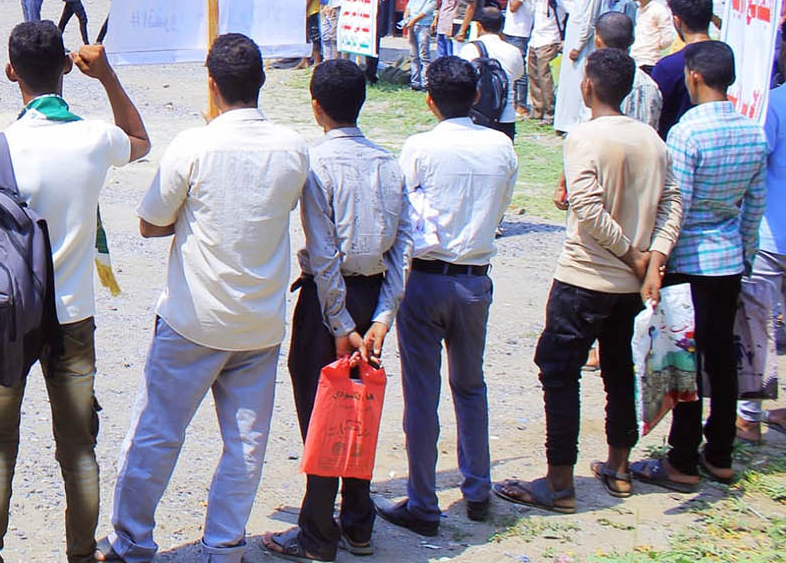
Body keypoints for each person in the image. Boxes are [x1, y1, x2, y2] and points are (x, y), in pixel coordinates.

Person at [0, 27, 148, 563]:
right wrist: (106, 75)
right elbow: (141, 141)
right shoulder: (95, 138)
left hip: (3, 317)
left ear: (12, 71)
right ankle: (80, 555)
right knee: (78, 452)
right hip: (73, 317)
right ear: (65, 67)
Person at [109, 34, 310, 563]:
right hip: (260, 323)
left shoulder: (194, 146)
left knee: (156, 434)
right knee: (245, 445)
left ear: (212, 84)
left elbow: (151, 224)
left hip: (192, 318)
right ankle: (224, 544)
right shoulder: (292, 147)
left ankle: (132, 543)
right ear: (261, 83)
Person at [493, 48, 678, 514]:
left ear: (587, 86)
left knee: (559, 372)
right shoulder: (652, 139)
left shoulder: (584, 136)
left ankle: (559, 482)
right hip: (630, 286)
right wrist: (654, 255)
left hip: (585, 276)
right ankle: (618, 467)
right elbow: (674, 201)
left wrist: (637, 255)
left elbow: (590, 211)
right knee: (620, 370)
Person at [261, 60, 411, 562]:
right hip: (372, 300)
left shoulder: (316, 162)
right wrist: (383, 318)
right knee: (361, 408)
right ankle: (359, 523)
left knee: (322, 410)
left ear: (316, 106)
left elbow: (323, 254)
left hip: (331, 306)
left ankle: (318, 534)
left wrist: (342, 324)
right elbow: (402, 248)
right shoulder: (388, 162)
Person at [377, 56, 518, 536]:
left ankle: (423, 500)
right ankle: (477, 490)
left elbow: (399, 210)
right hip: (475, 278)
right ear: (476, 96)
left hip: (426, 279)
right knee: (470, 385)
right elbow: (500, 207)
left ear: (431, 100)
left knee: (422, 393)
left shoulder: (421, 147)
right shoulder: (501, 147)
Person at [630, 41, 769, 491]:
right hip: (728, 260)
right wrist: (744, 255)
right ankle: (721, 452)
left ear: (692, 76)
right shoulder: (753, 132)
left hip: (688, 260)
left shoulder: (687, 132)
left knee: (683, 361)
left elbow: (676, 206)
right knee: (721, 359)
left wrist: (656, 260)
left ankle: (683, 459)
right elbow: (754, 206)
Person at [738, 25, 786, 439]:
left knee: (757, 321)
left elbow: (757, 165)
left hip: (772, 234)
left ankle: (749, 417)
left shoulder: (774, 104)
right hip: (772, 231)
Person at [650, 0, 715, 138]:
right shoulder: (725, 56)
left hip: (673, 144)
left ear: (677, 21)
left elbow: (655, 111)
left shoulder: (668, 66)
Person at [551, 0, 605, 136]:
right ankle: (564, 122)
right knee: (567, 84)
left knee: (578, 84)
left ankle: (575, 124)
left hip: (581, 49)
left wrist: (578, 47)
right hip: (571, 45)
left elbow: (588, 23)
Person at [466, 7, 524, 137]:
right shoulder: (513, 50)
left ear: (479, 25)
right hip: (505, 115)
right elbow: (518, 75)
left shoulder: (470, 49)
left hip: (477, 114)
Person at [502, 0, 534, 114]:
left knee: (520, 68)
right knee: (510, 66)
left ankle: (521, 103)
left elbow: (514, 6)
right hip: (511, 29)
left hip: (520, 31)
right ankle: (513, 100)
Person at [401, 0, 439, 90]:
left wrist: (416, 18)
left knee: (424, 54)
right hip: (412, 22)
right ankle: (415, 82)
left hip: (423, 23)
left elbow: (431, 4)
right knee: (413, 53)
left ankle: (426, 83)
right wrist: (407, 13)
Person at [626, 0, 677, 70]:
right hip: (636, 58)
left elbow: (668, 38)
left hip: (649, 61)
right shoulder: (638, 10)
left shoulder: (658, 10)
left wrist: (653, 47)